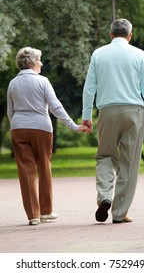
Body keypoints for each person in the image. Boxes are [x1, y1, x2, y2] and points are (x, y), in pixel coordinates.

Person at [82, 18, 144, 224]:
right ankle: (119, 213)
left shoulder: (98, 54)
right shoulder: (139, 54)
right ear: (130, 35)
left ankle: (105, 196)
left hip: (107, 111)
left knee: (105, 156)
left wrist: (86, 115)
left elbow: (89, 87)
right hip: (133, 111)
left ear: (110, 34)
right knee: (129, 163)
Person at [7, 47, 88, 226]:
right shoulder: (43, 81)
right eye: (40, 60)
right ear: (32, 62)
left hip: (19, 129)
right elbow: (55, 107)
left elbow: (10, 111)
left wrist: (18, 125)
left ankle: (33, 215)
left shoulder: (13, 83)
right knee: (44, 167)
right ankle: (45, 211)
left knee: (26, 170)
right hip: (41, 128)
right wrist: (74, 126)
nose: (41, 63)